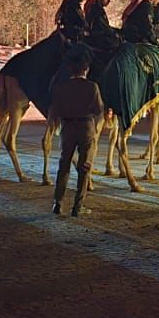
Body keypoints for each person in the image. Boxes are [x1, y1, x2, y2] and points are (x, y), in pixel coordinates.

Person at [49, 54, 104, 217]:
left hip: (67, 127)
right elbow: (98, 110)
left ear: (71, 70)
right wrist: (96, 127)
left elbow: (55, 110)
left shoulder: (62, 87)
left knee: (64, 164)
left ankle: (58, 203)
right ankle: (77, 207)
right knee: (84, 167)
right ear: (86, 70)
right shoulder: (92, 87)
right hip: (86, 126)